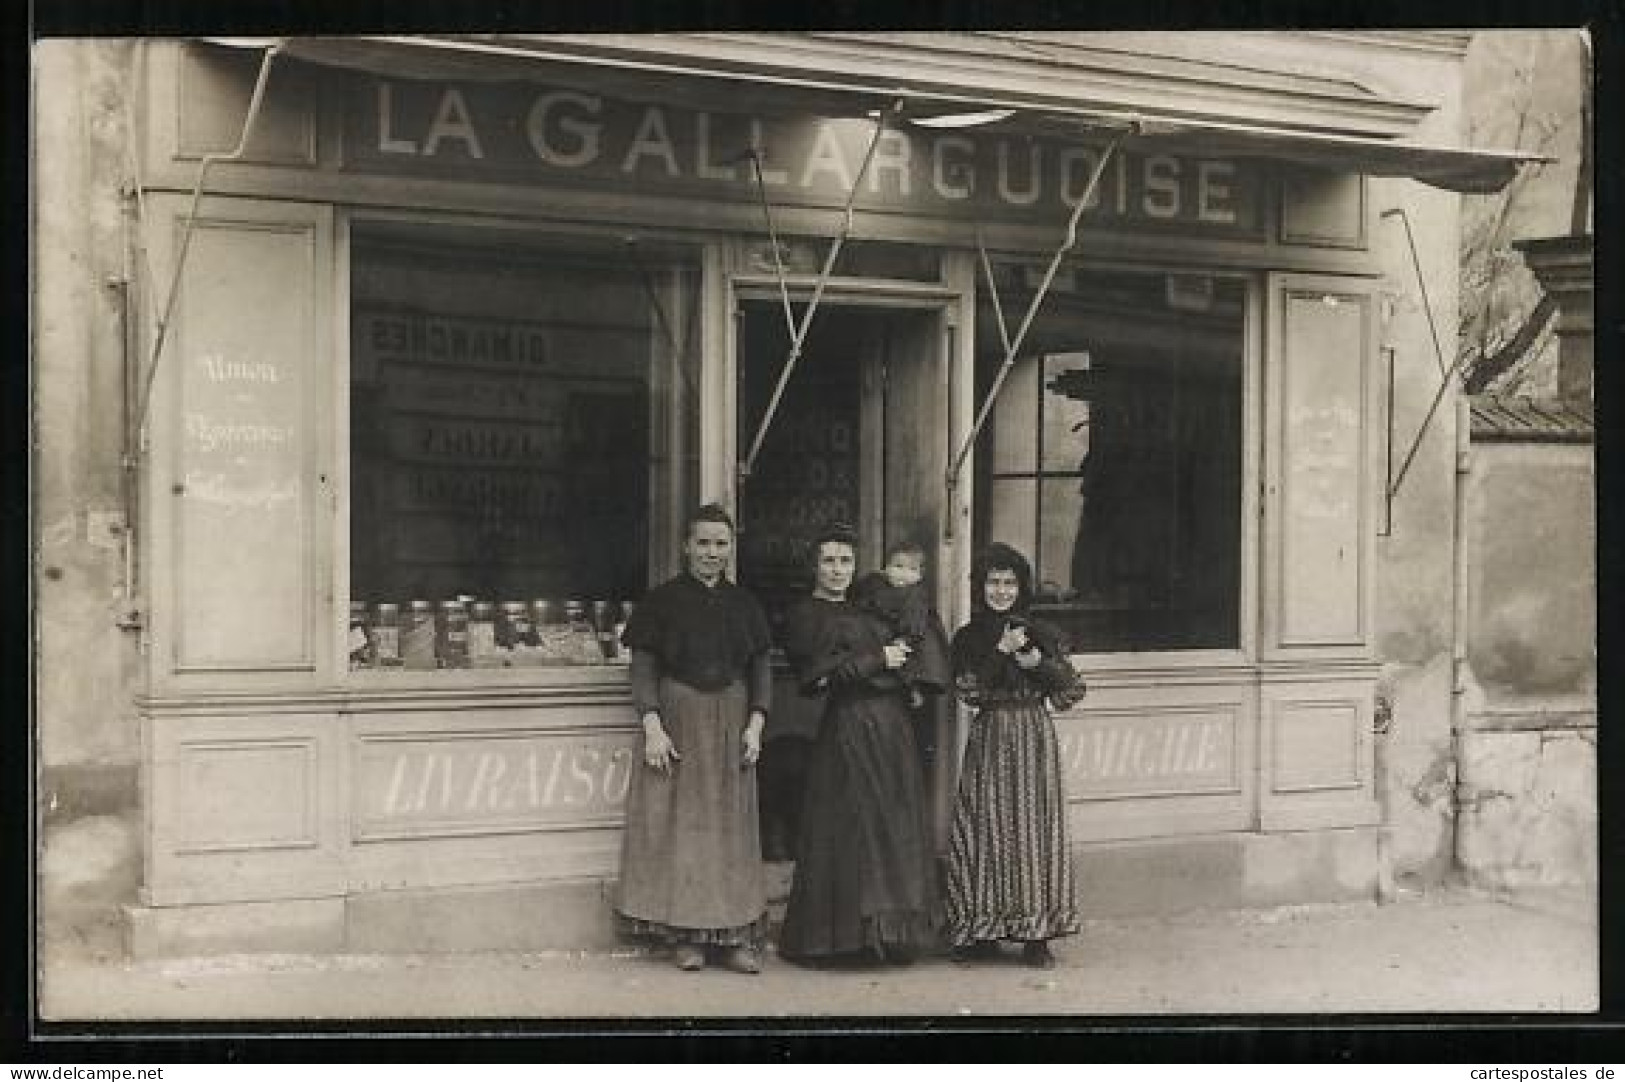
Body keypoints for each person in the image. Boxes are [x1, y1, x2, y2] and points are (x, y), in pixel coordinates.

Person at [613, 503, 774, 974]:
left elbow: (761, 669)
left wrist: (757, 724)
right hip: (679, 720)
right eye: (703, 543)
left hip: (732, 721)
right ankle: (687, 938)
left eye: (721, 544)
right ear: (686, 546)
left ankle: (735, 938)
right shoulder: (662, 601)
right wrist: (652, 726)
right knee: (683, 828)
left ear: (731, 548)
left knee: (732, 830)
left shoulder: (746, 604)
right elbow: (642, 667)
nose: (712, 552)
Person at [777, 524, 936, 966]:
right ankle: (838, 940)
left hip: (888, 727)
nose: (837, 570)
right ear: (814, 566)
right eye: (828, 560)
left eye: (845, 560)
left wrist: (910, 675)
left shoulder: (869, 606)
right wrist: (876, 661)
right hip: (843, 727)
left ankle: (882, 938)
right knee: (846, 830)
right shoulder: (803, 615)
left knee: (885, 830)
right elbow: (816, 678)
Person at [943, 542, 1088, 969]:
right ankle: (983, 929)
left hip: (1031, 734)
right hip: (990, 735)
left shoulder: (1040, 631)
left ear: (1021, 588)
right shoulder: (969, 637)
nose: (1001, 591)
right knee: (983, 826)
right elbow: (971, 693)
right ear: (980, 587)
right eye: (993, 582)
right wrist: (1001, 652)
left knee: (1033, 829)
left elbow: (1070, 692)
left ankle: (1035, 935)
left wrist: (1035, 661)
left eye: (1009, 583)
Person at [849, 540, 953, 710]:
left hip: (908, 641)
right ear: (885, 569)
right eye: (898, 566)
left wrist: (906, 639)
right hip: (879, 648)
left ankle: (914, 687)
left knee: (921, 651)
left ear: (920, 575)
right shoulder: (875, 588)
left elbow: (915, 622)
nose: (904, 574)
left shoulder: (916, 596)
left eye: (912, 569)